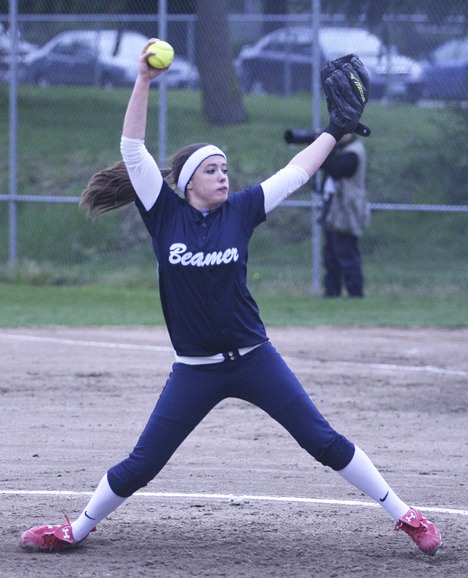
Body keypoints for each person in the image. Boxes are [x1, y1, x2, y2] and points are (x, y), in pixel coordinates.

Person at [20, 39, 442, 557]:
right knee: (143, 463)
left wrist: (336, 129)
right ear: (188, 182)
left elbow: (297, 173)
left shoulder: (240, 211)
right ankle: (75, 530)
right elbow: (133, 150)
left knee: (322, 440)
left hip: (253, 358)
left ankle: (408, 516)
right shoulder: (165, 213)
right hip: (194, 369)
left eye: (225, 169)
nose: (224, 176)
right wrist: (144, 82)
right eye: (213, 170)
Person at [320, 133, 370, 298]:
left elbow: (336, 168)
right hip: (334, 207)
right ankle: (331, 291)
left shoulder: (353, 152)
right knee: (330, 253)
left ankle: (355, 292)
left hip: (347, 209)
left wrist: (321, 150)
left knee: (346, 251)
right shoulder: (341, 150)